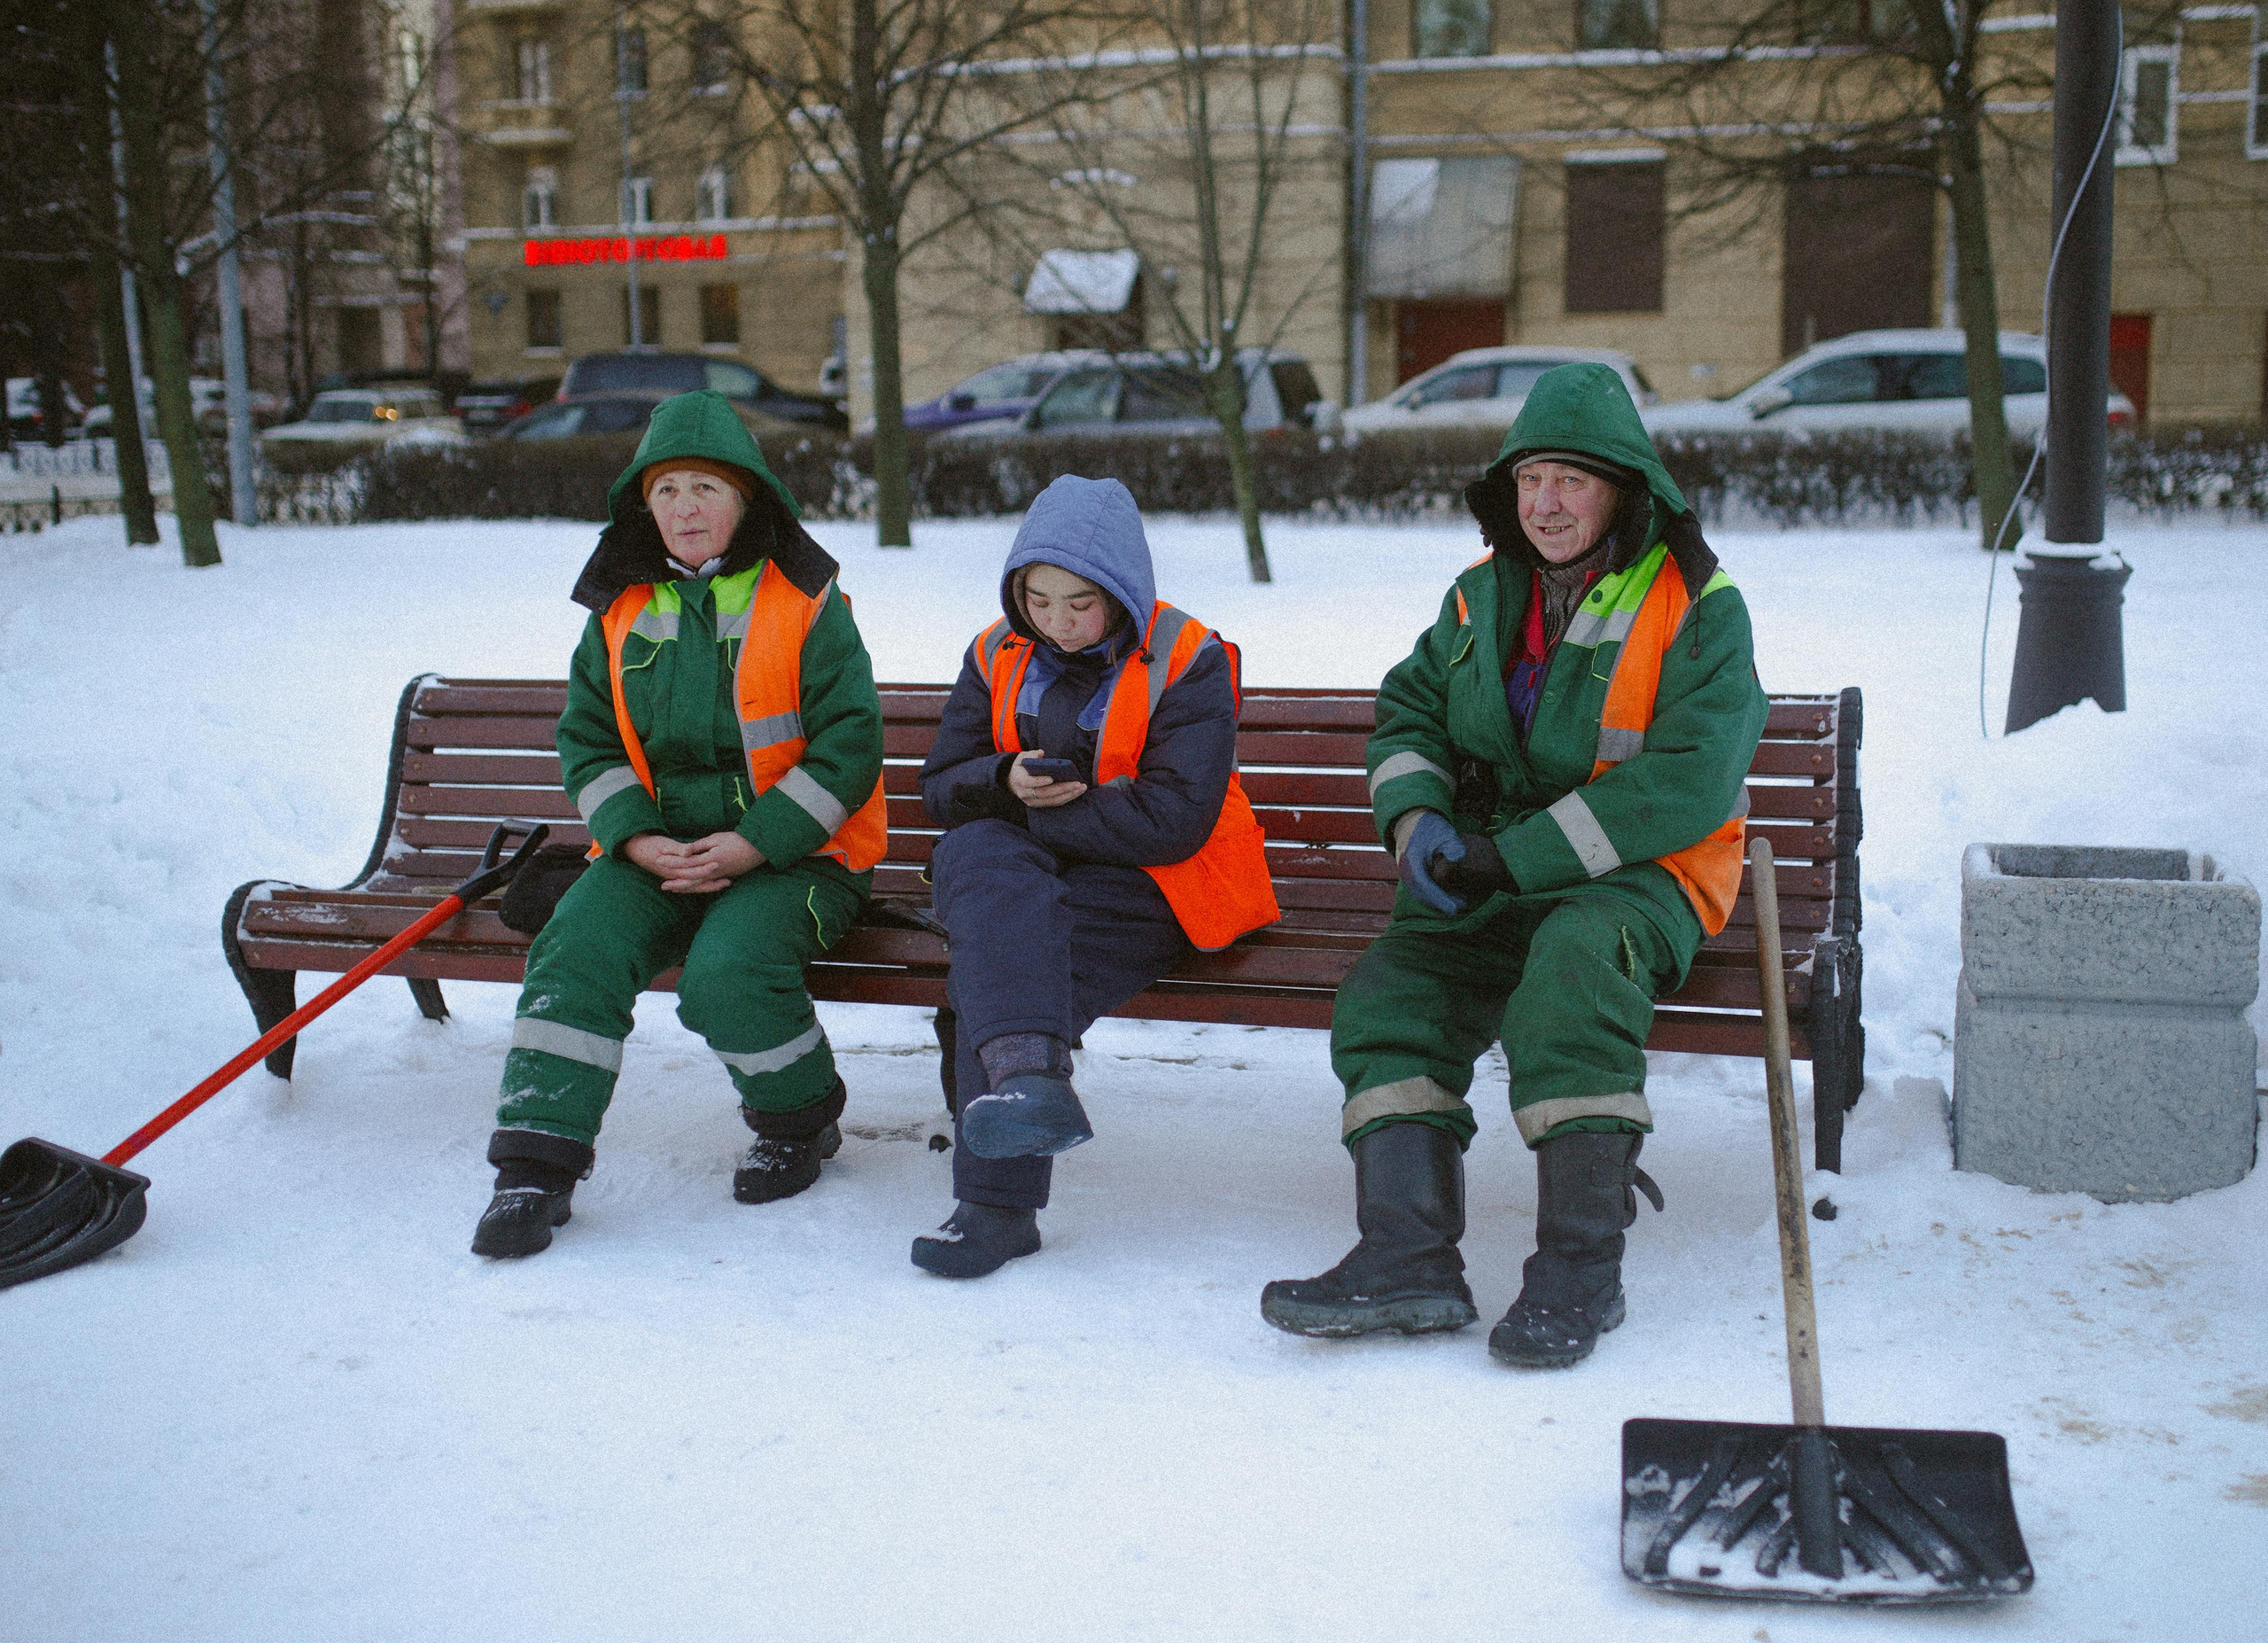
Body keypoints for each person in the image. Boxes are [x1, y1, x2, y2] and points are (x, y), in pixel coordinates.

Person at [1260, 362, 1767, 1366]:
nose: (1545, 503)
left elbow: (1688, 784)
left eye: (1572, 481)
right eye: (1532, 477)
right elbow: (1407, 715)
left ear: (1624, 485)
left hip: (1642, 877)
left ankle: (1581, 1272)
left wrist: (1513, 855)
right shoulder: (1475, 597)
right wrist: (1418, 825)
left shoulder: (1699, 604)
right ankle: (1407, 1257)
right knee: (1391, 992)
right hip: (1490, 872)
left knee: (1571, 982)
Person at [471, 390, 887, 1258]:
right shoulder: (618, 608)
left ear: (746, 498)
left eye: (705, 487)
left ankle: (798, 1120)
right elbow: (586, 741)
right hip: (655, 852)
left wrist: (753, 843)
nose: (686, 508)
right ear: (642, 505)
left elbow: (849, 748)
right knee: (574, 945)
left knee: (725, 976)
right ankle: (533, 1172)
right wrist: (631, 835)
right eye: (666, 491)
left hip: (795, 857)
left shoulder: (806, 600)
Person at [912, 475, 1278, 1278]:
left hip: (1166, 880)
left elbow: (1174, 820)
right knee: (981, 867)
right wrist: (1003, 780)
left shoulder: (1188, 658)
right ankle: (1024, 1096)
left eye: (1080, 603)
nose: (1058, 622)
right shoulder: (992, 651)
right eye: (1038, 600)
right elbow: (941, 786)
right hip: (1029, 874)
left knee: (1004, 961)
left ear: (1122, 592)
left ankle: (996, 1201)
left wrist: (1028, 813)